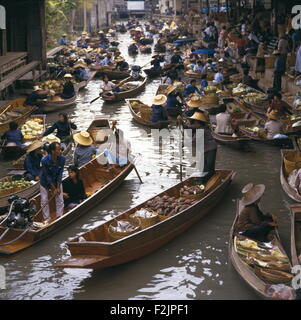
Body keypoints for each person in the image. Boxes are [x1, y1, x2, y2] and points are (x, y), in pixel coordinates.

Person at [187, 111, 217, 182]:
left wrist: (183, 143)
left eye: (194, 123)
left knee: (209, 167)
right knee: (203, 166)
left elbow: (193, 141)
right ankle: (205, 180)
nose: (193, 124)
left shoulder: (201, 130)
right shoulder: (200, 128)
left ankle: (209, 181)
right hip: (205, 150)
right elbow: (189, 127)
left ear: (198, 123)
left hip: (210, 149)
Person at [40, 142, 66, 224]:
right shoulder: (44, 160)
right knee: (44, 200)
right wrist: (53, 188)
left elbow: (60, 173)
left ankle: (60, 216)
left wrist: (57, 187)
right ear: (52, 151)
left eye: (60, 149)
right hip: (45, 182)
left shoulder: (62, 159)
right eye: (58, 150)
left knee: (60, 199)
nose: (60, 151)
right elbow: (47, 176)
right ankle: (47, 218)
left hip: (56, 181)